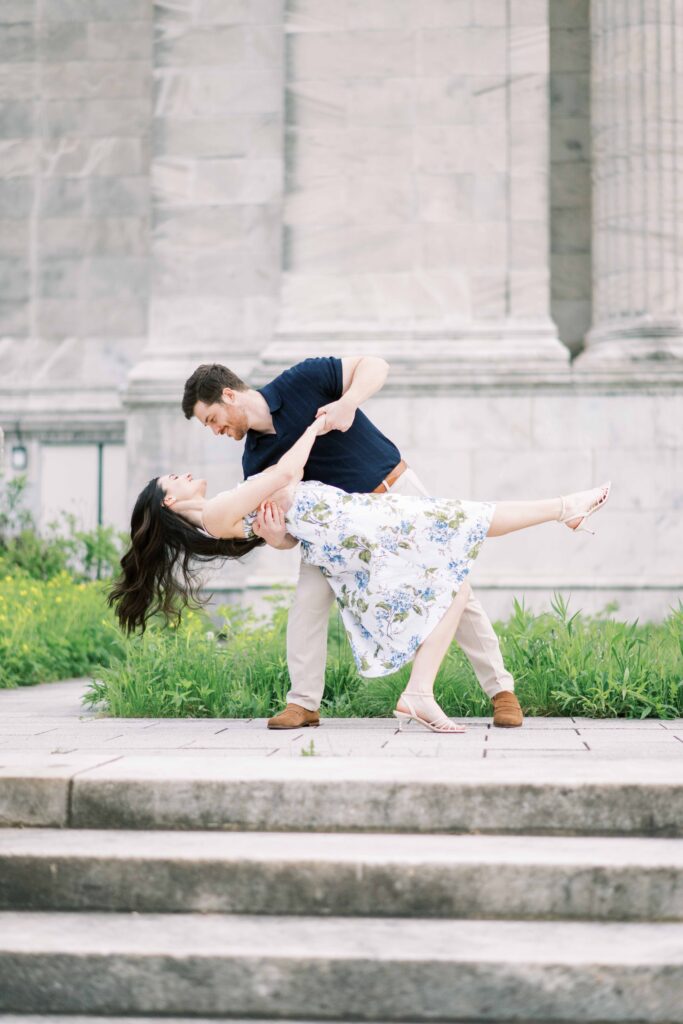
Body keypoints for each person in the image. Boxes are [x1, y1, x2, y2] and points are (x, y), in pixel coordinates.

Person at [109, 414, 611, 734]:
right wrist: (313, 428)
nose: (181, 472)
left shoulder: (222, 508)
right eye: (171, 479)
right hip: (353, 525)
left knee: (457, 565)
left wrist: (276, 530)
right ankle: (565, 506)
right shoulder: (216, 511)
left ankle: (420, 693)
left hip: (345, 523)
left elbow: (282, 536)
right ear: (171, 501)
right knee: (463, 522)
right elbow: (285, 476)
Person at [180, 356, 526, 730]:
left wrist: (349, 402)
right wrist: (275, 536)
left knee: (455, 588)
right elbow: (287, 538)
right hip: (332, 535)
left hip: (395, 496)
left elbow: (375, 365)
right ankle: (303, 703)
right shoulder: (256, 460)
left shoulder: (303, 379)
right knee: (307, 604)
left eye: (212, 419)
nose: (216, 430)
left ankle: (501, 692)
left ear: (229, 395)